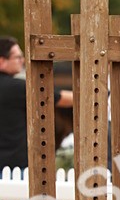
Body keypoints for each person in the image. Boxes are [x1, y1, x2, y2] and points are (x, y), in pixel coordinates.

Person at [0, 36, 73, 171]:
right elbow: (58, 98)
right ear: (2, 61)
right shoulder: (18, 88)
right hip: (14, 166)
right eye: (17, 57)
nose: (22, 61)